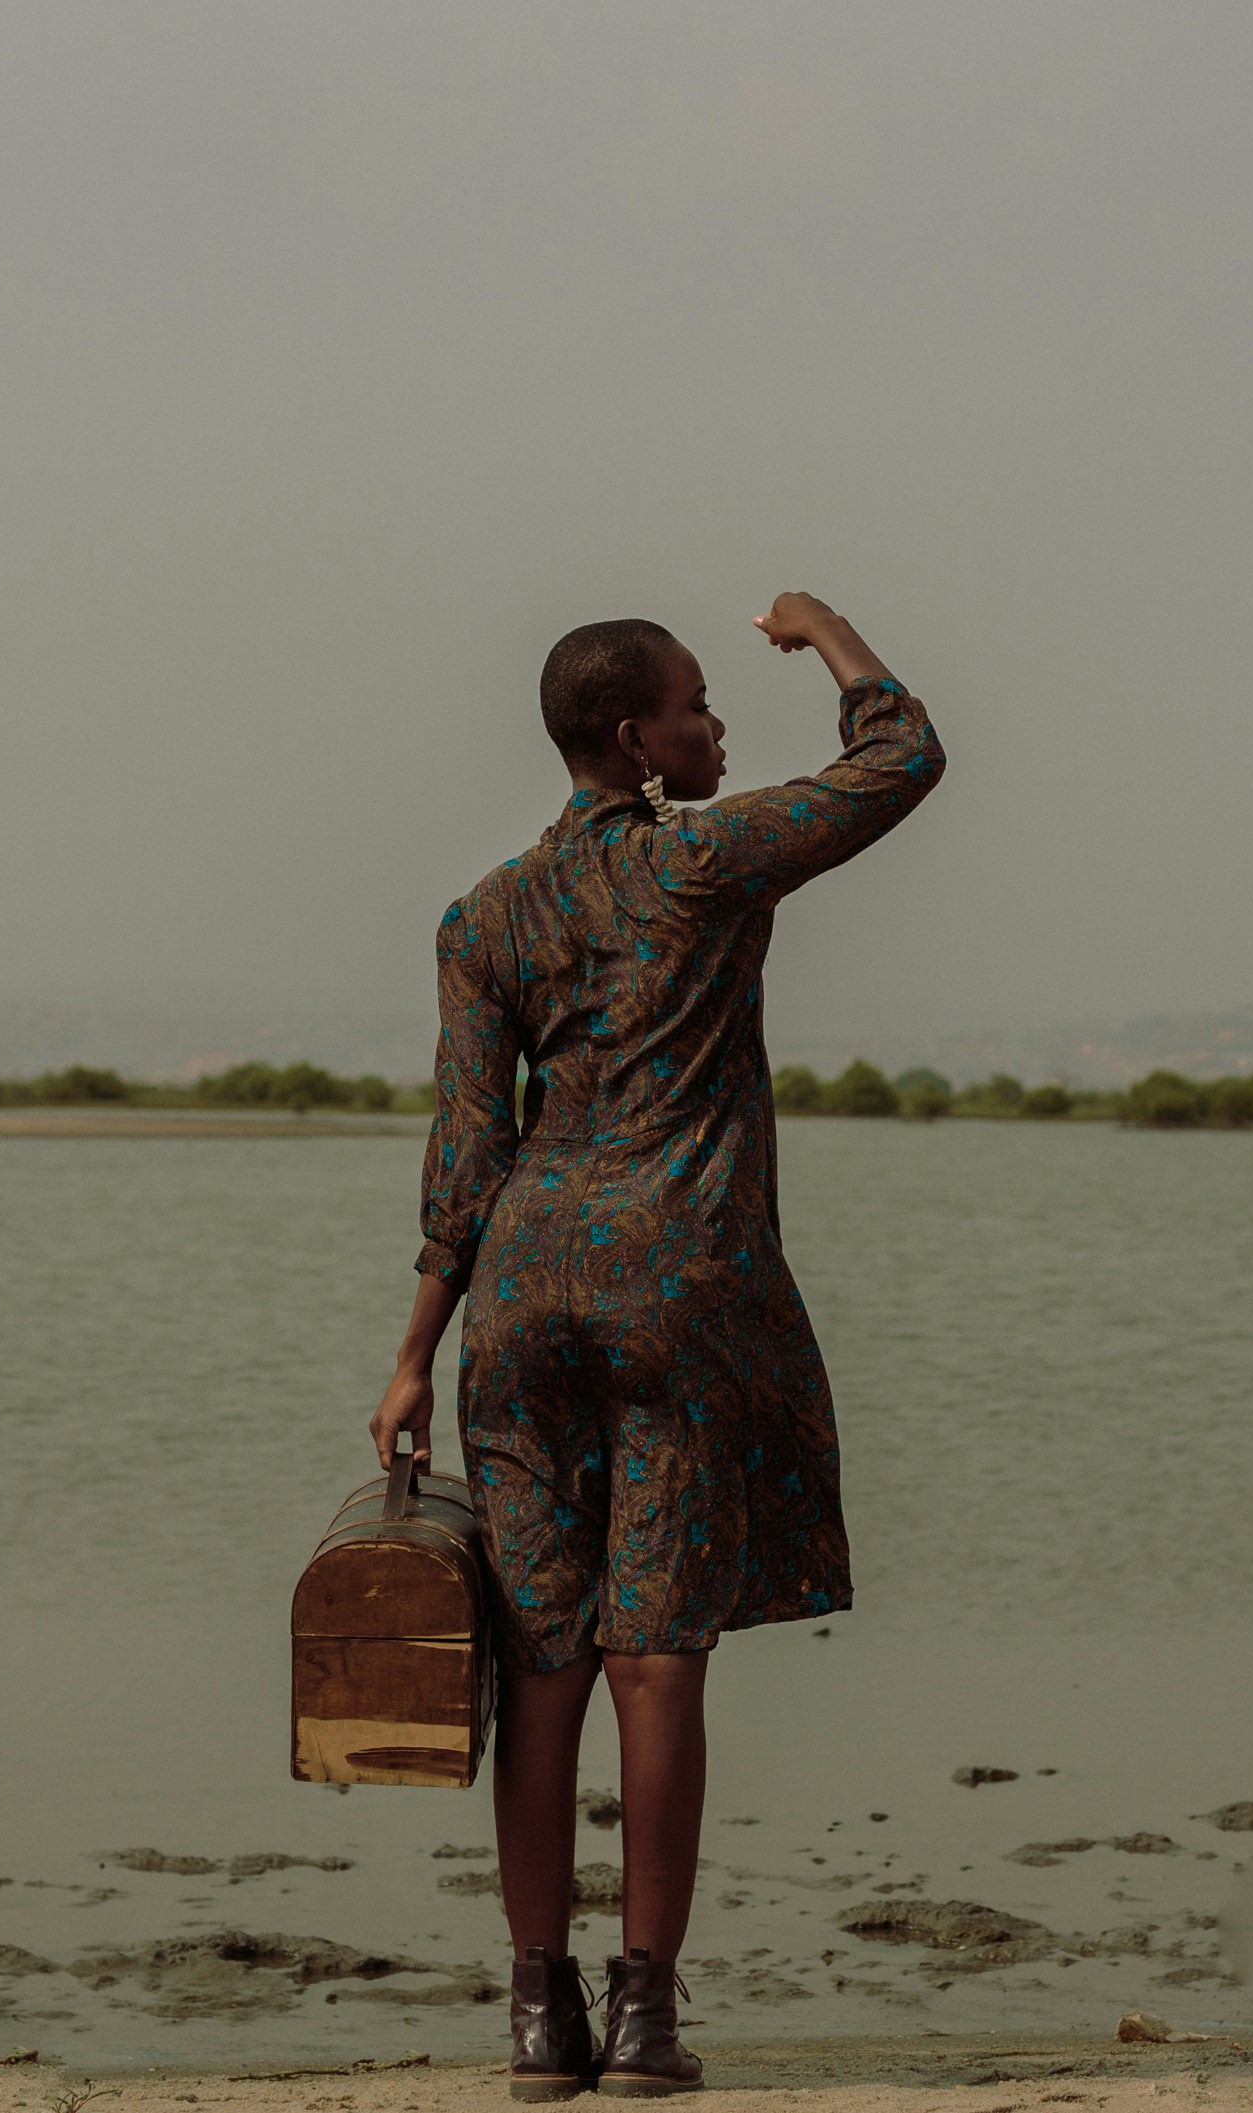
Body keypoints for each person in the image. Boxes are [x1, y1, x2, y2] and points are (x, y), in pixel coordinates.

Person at [368, 593, 945, 2098]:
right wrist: (831, 635)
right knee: (655, 1671)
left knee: (539, 1667)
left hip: (525, 1303)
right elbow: (902, 758)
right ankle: (644, 2021)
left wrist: (415, 1351)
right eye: (696, 706)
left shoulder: (484, 915)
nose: (714, 726)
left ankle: (534, 2019)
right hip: (678, 1294)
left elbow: (465, 1148)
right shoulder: (701, 860)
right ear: (635, 739)